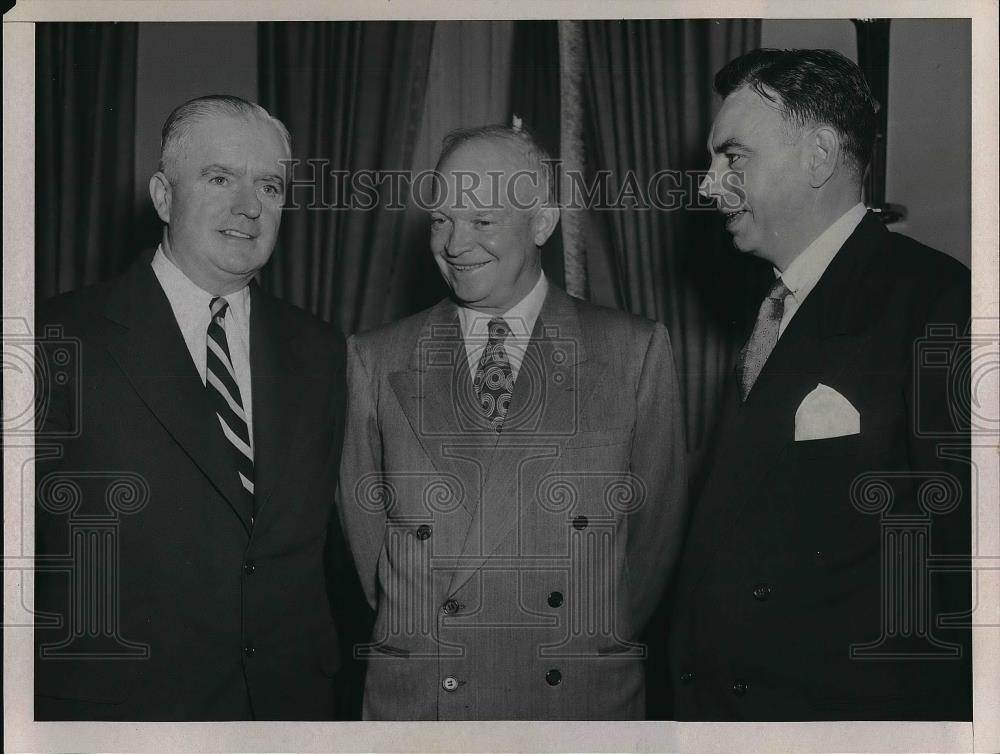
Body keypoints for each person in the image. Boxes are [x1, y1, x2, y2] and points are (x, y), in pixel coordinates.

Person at [336, 125, 687, 720]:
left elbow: (653, 550)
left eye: (482, 221)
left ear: (544, 221)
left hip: (573, 701)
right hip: (426, 704)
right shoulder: (375, 358)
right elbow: (369, 554)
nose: (454, 244)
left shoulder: (634, 352)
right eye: (441, 221)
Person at [668, 49, 971, 720]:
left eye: (733, 158)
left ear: (820, 155)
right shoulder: (775, 306)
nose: (709, 186)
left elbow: (966, 570)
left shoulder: (938, 301)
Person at [34, 95, 349, 720]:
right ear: (162, 195)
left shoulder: (323, 349)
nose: (247, 206)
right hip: (122, 719)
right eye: (219, 177)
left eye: (268, 185)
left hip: (289, 714)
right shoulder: (53, 338)